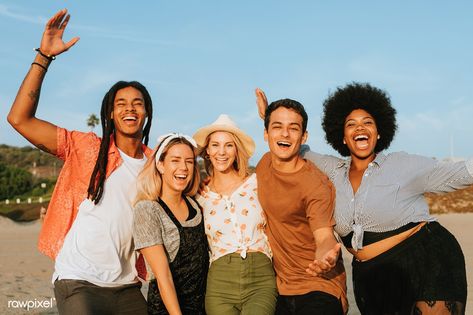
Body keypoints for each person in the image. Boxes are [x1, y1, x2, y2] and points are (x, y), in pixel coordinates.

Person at [257, 83, 473, 314]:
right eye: (351, 124)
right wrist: (269, 116)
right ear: (342, 136)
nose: (360, 128)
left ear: (379, 132)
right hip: (371, 277)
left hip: (426, 259)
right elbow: (292, 146)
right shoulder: (331, 169)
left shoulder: (403, 164)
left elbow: (461, 173)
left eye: (367, 122)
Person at [7, 9, 153, 314]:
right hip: (78, 279)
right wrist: (43, 58)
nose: (130, 109)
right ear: (110, 114)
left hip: (127, 285)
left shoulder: (156, 164)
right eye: (121, 103)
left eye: (137, 103)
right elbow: (19, 119)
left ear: (146, 113)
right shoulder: (85, 147)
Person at [255, 98, 347, 314]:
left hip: (319, 285)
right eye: (277, 127)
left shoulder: (315, 184)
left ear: (304, 136)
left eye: (293, 129)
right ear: (266, 134)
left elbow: (323, 235)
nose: (285, 134)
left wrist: (326, 255)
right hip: (279, 288)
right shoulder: (264, 163)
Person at [193, 114, 278, 314]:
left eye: (228, 145)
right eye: (215, 145)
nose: (221, 152)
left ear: (237, 150)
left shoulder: (257, 183)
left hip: (260, 278)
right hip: (219, 283)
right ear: (206, 151)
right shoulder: (199, 195)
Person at [132, 133, 209, 315]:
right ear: (160, 165)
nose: (183, 168)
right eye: (175, 160)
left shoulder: (196, 205)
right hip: (169, 310)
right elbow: (163, 276)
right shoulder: (148, 210)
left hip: (202, 308)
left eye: (189, 161)